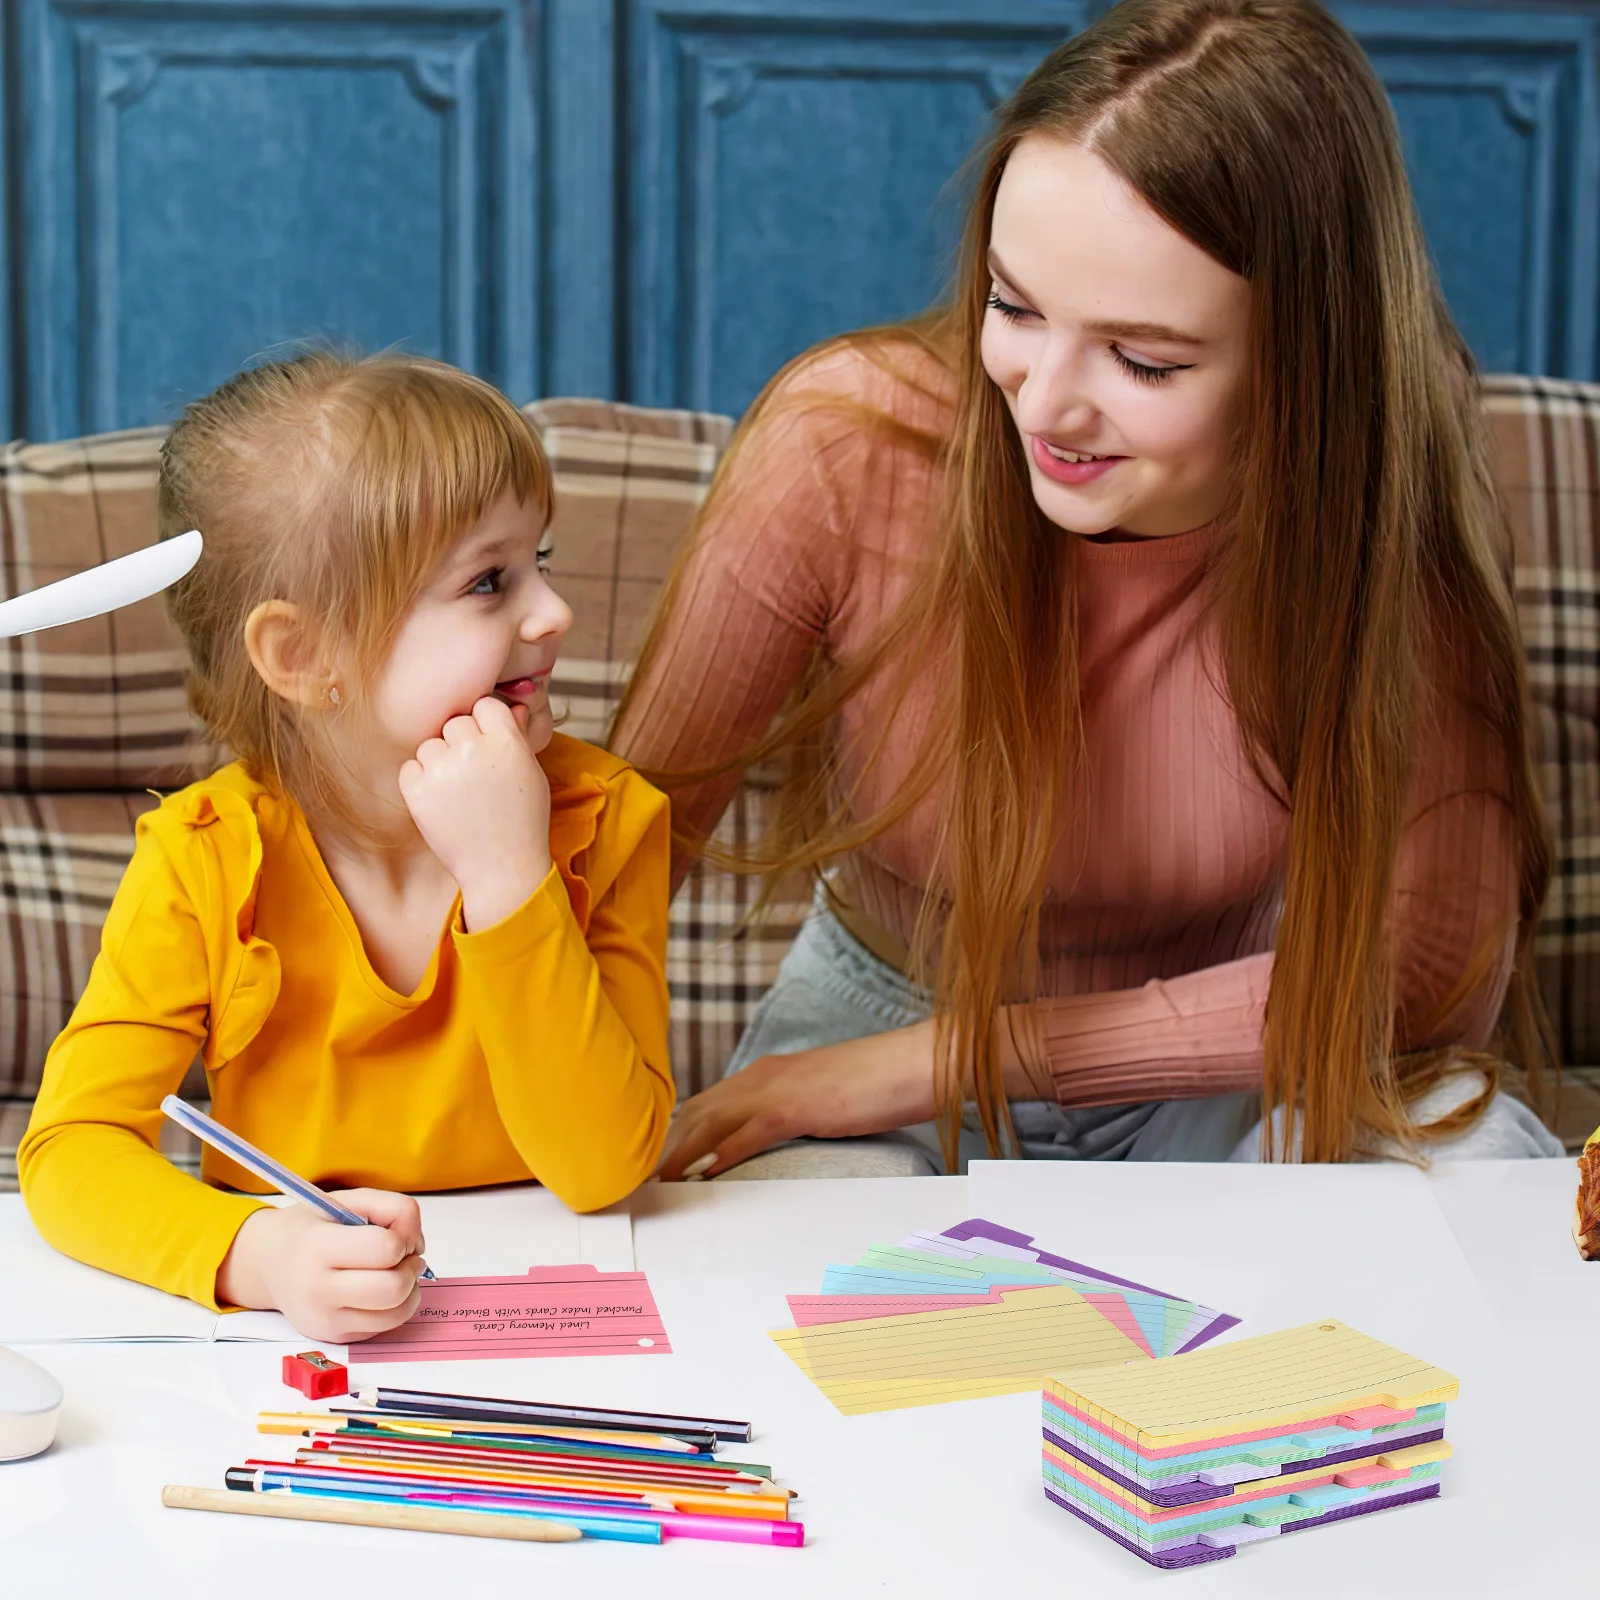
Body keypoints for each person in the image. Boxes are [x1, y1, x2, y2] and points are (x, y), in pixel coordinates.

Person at [613, 0, 1563, 1180]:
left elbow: (1421, 977)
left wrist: (968, 1055)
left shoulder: (1373, 508)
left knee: (1472, 1176)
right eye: (1012, 307)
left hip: (1227, 1061)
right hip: (873, 1023)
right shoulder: (847, 441)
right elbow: (617, 857)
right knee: (786, 1297)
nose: (1044, 403)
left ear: (1305, 365)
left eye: (1142, 358)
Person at [19, 354, 674, 1338]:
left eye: (542, 560)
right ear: (304, 655)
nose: (552, 612)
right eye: (489, 581)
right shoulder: (203, 857)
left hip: (570, 1312)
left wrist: (508, 876)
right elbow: (70, 1149)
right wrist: (260, 1255)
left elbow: (604, 1165)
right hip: (287, 1336)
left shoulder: (605, 818)